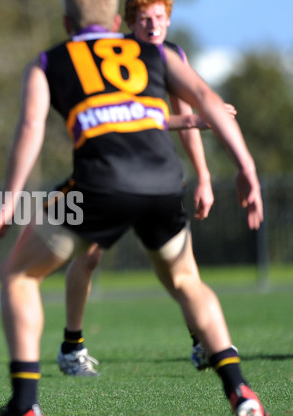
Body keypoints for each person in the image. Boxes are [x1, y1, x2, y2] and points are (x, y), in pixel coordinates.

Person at [0, 0, 266, 415]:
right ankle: (240, 392)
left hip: (99, 184)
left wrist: (8, 202)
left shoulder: (48, 61)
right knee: (187, 280)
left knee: (19, 274)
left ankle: (26, 403)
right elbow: (205, 96)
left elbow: (30, 130)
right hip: (164, 182)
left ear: (66, 24)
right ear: (118, 23)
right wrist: (247, 167)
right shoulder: (156, 53)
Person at [56, 0, 229, 377]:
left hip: (156, 174)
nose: (152, 26)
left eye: (160, 19)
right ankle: (72, 346)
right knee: (88, 257)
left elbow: (181, 118)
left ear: (168, 21)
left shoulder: (171, 55)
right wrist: (195, 119)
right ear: (127, 22)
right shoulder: (115, 55)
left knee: (182, 265)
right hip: (107, 170)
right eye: (144, 19)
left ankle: (201, 342)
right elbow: (133, 119)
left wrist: (204, 175)